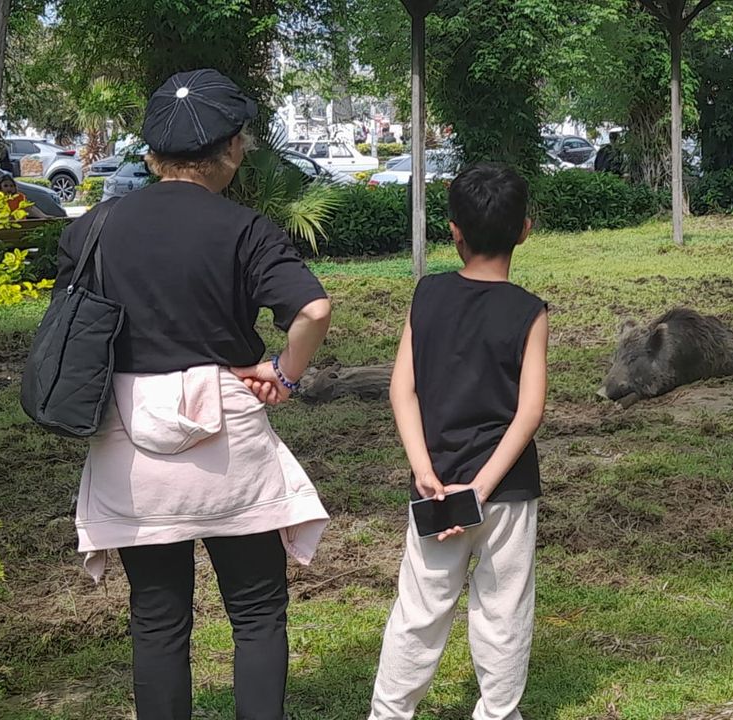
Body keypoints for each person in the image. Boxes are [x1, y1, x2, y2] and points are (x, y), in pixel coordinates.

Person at [58, 69, 332, 720]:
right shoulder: (245, 229)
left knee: (157, 619)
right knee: (257, 612)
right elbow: (313, 310)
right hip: (227, 438)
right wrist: (285, 373)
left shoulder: (92, 229)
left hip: (129, 441)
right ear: (232, 149)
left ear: (153, 153)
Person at [368, 163, 549, 720]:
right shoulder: (529, 311)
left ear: (454, 231)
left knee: (420, 608)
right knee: (504, 609)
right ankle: (498, 713)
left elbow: (401, 390)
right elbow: (529, 413)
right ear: (525, 230)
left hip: (435, 486)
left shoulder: (427, 294)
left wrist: (425, 471)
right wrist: (482, 487)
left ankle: (389, 712)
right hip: (506, 490)